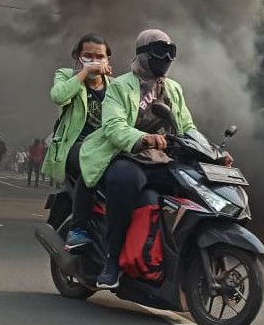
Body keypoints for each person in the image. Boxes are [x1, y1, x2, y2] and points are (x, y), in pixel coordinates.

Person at [88, 29, 232, 289]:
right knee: (125, 181)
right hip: (128, 157)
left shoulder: (173, 88)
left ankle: (172, 254)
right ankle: (112, 260)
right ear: (143, 54)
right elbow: (113, 126)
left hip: (163, 159)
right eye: (159, 51)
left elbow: (187, 126)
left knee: (193, 182)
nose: (165, 57)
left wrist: (215, 154)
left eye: (170, 51)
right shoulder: (120, 86)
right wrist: (144, 138)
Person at [41, 34, 113, 252]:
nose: (94, 61)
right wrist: (84, 74)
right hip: (74, 145)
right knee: (92, 162)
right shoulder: (67, 76)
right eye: (88, 56)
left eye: (99, 57)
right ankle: (77, 230)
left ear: (108, 60)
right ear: (77, 57)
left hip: (106, 147)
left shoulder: (116, 86)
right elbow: (58, 96)